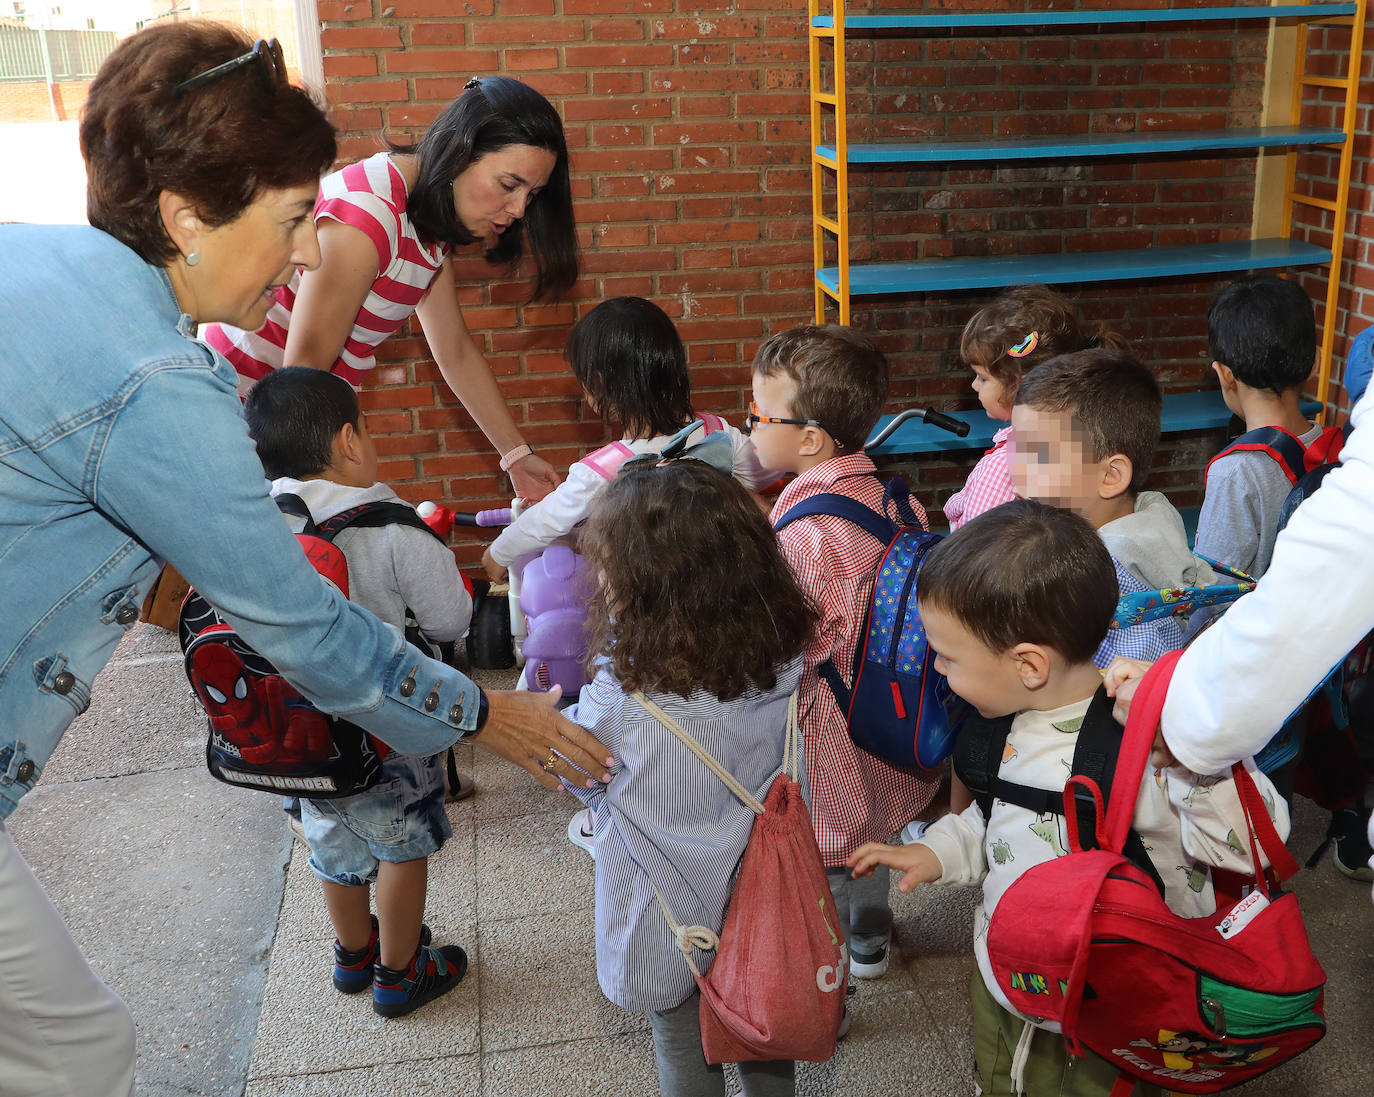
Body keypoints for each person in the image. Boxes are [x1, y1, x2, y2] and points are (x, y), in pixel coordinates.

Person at [0, 23, 608, 1096]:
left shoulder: (35, 257)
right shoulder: (158, 383)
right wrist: (486, 711)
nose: (306, 256)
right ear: (188, 216)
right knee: (78, 1053)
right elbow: (301, 618)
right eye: (292, 222)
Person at [848, 500, 1290, 1097]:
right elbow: (1005, 820)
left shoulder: (1144, 746)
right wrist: (942, 850)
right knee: (1002, 1069)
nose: (940, 670)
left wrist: (1193, 751)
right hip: (1007, 966)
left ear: (1028, 664)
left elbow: (1252, 847)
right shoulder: (999, 724)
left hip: (1114, 992)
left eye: (948, 658)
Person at [476, 295, 780, 856]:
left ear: (600, 385)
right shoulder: (718, 435)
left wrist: (496, 554)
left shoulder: (602, 469)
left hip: (642, 615)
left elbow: (543, 522)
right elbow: (766, 467)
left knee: (627, 707)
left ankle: (615, 808)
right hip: (720, 602)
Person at [561, 457, 814, 1097]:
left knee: (681, 1046)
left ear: (642, 584)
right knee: (765, 1030)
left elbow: (577, 771)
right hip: (764, 891)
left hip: (667, 914)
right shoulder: (783, 661)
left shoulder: (626, 697)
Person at [205, 75, 580, 502]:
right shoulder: (369, 218)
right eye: (509, 185)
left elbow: (453, 348)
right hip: (239, 419)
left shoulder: (429, 217)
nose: (518, 209)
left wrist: (515, 456)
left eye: (532, 194)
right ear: (459, 153)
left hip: (286, 421)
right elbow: (302, 380)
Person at [244, 367, 472, 1016]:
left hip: (295, 729)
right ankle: (400, 973)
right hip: (386, 728)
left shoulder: (256, 520)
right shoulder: (393, 525)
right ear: (349, 440)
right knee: (401, 843)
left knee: (330, 837)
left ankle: (354, 953)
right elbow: (451, 620)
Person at [752, 324, 940, 980]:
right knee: (878, 831)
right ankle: (871, 939)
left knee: (827, 854)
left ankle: (824, 981)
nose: (748, 426)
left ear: (809, 439)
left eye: (756, 414)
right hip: (888, 711)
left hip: (827, 731)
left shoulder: (806, 539)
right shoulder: (895, 498)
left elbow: (782, 651)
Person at [1011, 349, 1218, 669]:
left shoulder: (1099, 585)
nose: (1016, 475)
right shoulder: (1152, 519)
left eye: (1038, 456)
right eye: (1016, 449)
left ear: (1110, 476)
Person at [944, 284, 1128, 531]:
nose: (974, 385)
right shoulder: (1077, 439)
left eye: (983, 378)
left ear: (1022, 385)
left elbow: (974, 554)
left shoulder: (1004, 467)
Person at [1194, 275, 1331, 578]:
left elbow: (1212, 592)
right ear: (1315, 363)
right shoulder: (1333, 450)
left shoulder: (1235, 472)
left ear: (1225, 375)